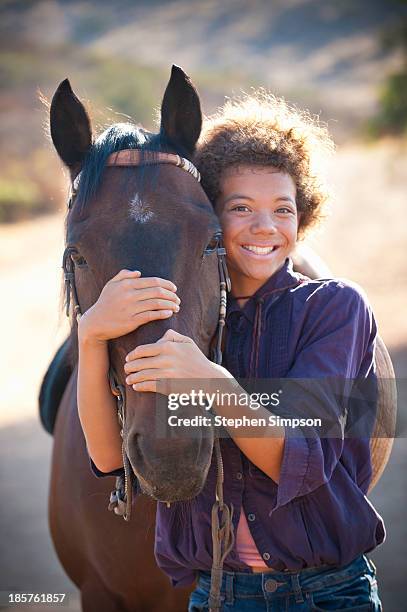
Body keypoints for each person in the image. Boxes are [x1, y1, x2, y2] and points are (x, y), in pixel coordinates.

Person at [78, 92, 384, 611]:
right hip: (216, 594)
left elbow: (298, 461)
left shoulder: (335, 308)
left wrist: (209, 381)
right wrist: (91, 337)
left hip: (327, 592)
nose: (265, 226)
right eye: (241, 208)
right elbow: (110, 457)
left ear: (302, 216)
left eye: (282, 209)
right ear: (210, 220)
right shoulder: (187, 327)